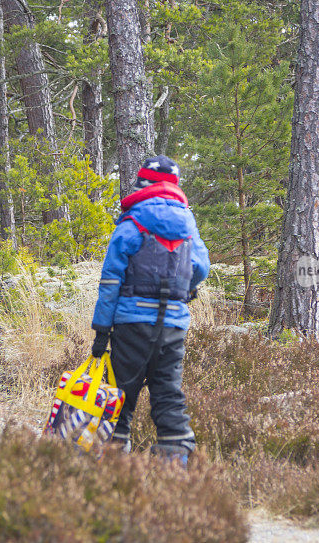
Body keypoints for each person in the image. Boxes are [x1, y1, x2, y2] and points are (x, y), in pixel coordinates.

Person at [91, 155, 210, 466]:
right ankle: (174, 471)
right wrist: (185, 290)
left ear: (142, 184)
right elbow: (201, 267)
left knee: (120, 395)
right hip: (173, 324)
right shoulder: (187, 222)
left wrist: (102, 330)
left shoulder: (131, 222)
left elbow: (110, 280)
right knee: (168, 394)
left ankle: (114, 467)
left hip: (132, 323)